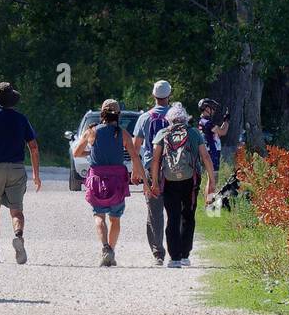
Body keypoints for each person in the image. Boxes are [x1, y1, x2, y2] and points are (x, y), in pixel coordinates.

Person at [0, 81, 40, 264]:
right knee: (16, 211)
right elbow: (33, 147)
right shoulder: (21, 119)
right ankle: (18, 236)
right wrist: (36, 174)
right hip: (17, 168)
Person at [73, 99, 145, 267]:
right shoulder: (122, 133)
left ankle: (105, 247)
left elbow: (76, 153)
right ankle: (111, 251)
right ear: (117, 115)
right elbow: (135, 156)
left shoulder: (92, 131)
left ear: (102, 114)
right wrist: (144, 180)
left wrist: (91, 153)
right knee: (115, 218)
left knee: (99, 215)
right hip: (117, 181)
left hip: (97, 179)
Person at [149, 103, 215, 268]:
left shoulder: (162, 134)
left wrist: (155, 182)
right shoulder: (193, 133)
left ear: (169, 120)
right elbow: (205, 157)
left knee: (173, 217)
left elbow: (155, 160)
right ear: (185, 119)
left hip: (169, 181)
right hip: (190, 181)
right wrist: (211, 179)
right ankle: (185, 255)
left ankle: (174, 258)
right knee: (188, 216)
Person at [135, 80, 174, 265]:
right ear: (169, 96)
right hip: (175, 169)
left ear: (154, 96)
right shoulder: (176, 116)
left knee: (154, 211)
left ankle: (158, 253)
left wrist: (137, 172)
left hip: (152, 170)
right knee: (175, 210)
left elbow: (136, 147)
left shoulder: (145, 117)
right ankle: (177, 250)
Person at [197, 97, 229, 178]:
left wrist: (224, 122)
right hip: (212, 151)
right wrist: (227, 121)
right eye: (212, 108)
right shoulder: (206, 123)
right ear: (207, 108)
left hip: (210, 150)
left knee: (212, 177)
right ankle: (211, 191)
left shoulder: (203, 121)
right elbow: (223, 132)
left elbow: (219, 133)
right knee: (213, 178)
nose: (214, 110)